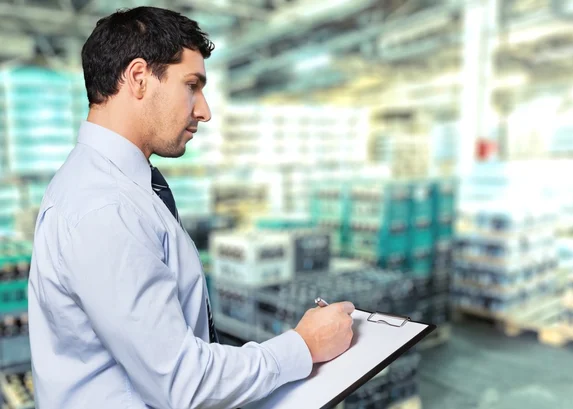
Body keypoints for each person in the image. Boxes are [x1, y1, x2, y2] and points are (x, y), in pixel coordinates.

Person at [27, 6, 355, 409]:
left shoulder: (119, 186)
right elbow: (182, 382)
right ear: (138, 78)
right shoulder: (105, 207)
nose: (204, 110)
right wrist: (303, 346)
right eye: (192, 85)